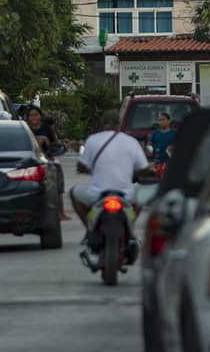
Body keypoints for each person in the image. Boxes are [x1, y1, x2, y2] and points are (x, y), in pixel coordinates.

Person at [70, 112, 149, 254]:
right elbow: (143, 169)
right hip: (126, 195)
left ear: (101, 125)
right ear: (119, 125)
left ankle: (90, 229)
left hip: (97, 195)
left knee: (73, 193)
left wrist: (95, 170)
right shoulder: (131, 141)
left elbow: (80, 166)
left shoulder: (92, 140)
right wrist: (130, 173)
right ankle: (130, 227)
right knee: (141, 195)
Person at [26, 104, 69, 217]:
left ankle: (61, 212)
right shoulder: (25, 128)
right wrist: (35, 141)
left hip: (47, 159)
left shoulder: (46, 128)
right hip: (30, 161)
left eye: (36, 115)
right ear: (27, 117)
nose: (34, 118)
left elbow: (56, 144)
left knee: (57, 179)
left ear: (41, 116)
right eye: (31, 115)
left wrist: (47, 141)